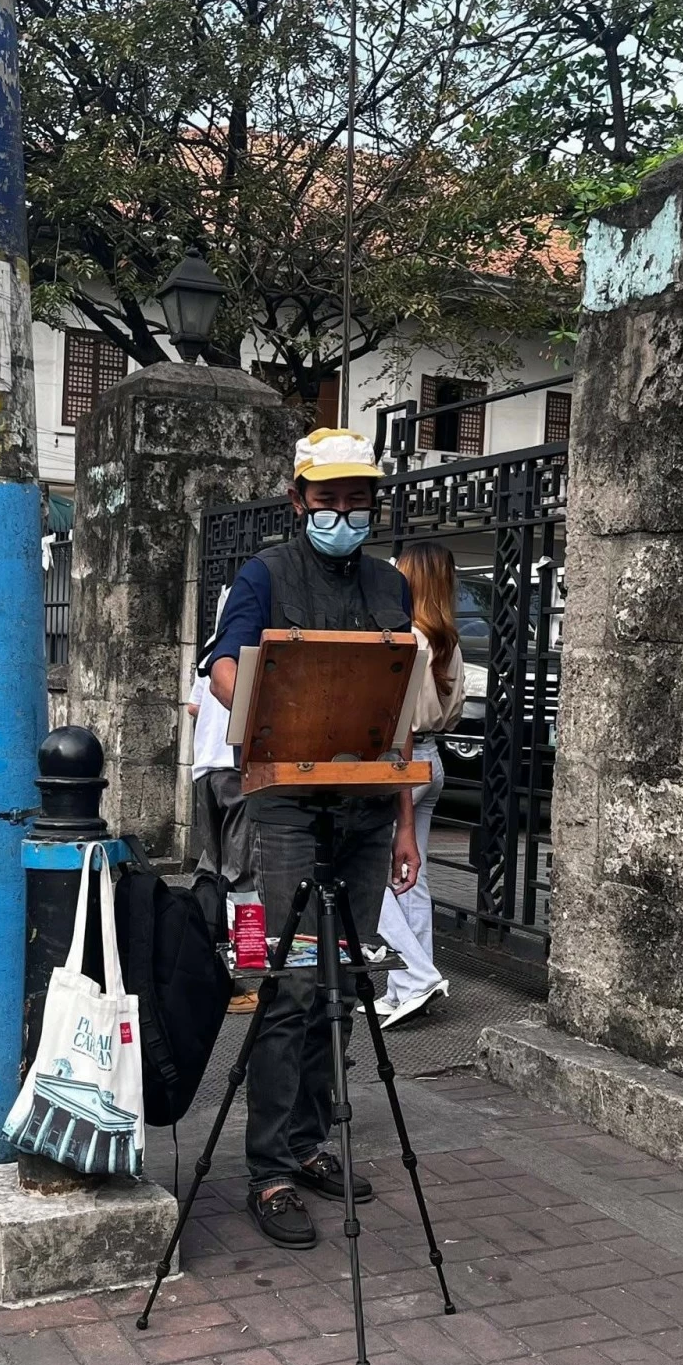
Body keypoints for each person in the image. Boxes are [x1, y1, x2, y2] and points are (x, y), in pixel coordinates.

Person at [206, 427, 420, 1249]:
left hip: (367, 811)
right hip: (290, 808)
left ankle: (313, 1139)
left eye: (355, 498)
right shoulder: (263, 576)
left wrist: (403, 823)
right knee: (292, 983)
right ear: (298, 500)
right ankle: (271, 1170)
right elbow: (226, 666)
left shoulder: (389, 584)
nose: (341, 511)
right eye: (325, 498)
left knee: (342, 986)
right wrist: (266, 711)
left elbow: (397, 712)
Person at [365, 543, 464, 1029]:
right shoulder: (448, 641)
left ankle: (418, 974)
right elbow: (455, 711)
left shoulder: (408, 639)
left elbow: (394, 716)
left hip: (401, 761)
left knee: (364, 871)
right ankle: (408, 986)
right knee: (412, 879)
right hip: (433, 758)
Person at [188, 592, 259, 1015]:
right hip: (236, 770)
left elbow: (195, 706)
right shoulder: (251, 651)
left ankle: (201, 958)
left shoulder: (210, 651)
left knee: (210, 868)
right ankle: (246, 972)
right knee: (243, 875)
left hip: (204, 770)